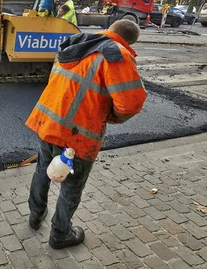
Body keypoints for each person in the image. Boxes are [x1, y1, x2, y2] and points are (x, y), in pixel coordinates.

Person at [25, 19, 147, 249]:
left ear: (110, 29)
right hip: (78, 134)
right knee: (71, 185)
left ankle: (35, 215)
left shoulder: (78, 42)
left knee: (43, 170)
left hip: (49, 121)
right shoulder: (116, 54)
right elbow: (131, 103)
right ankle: (60, 234)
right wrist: (110, 116)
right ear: (129, 41)